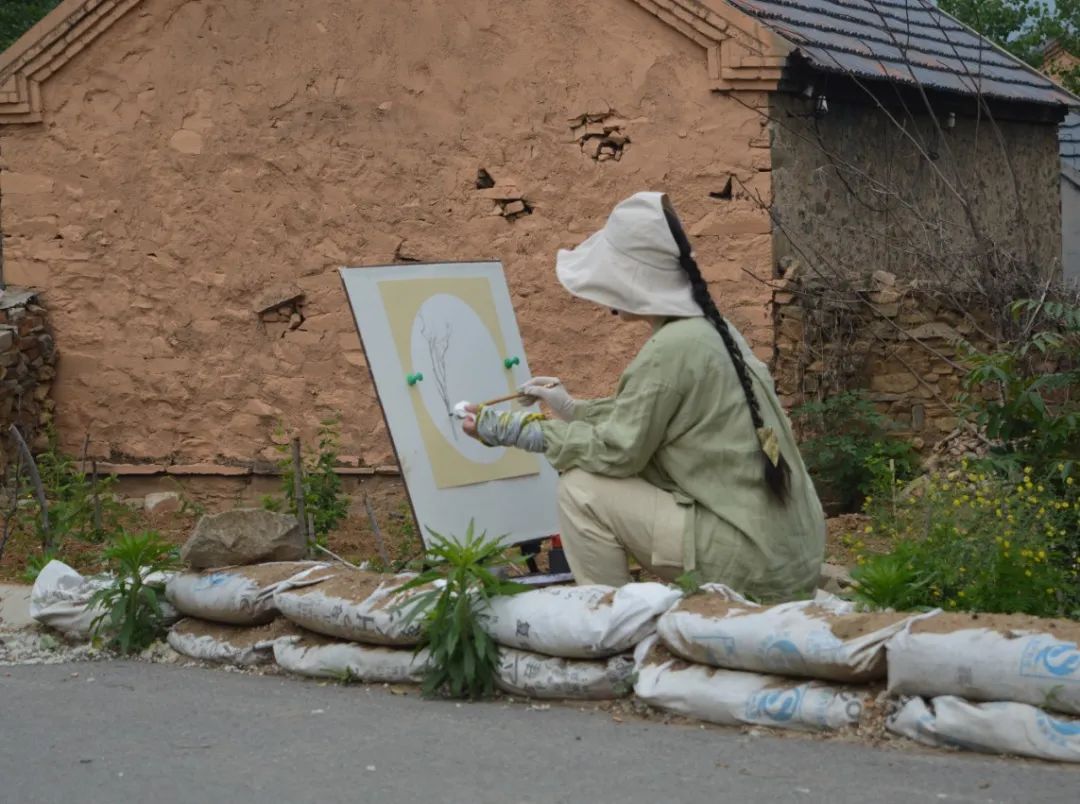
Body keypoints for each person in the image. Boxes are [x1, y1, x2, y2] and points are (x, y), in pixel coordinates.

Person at [463, 191, 825, 602]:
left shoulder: (672, 347)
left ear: (631, 281)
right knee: (593, 476)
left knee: (581, 489)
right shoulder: (709, 330)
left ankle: (614, 626)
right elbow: (645, 415)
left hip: (749, 559)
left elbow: (620, 451)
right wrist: (570, 408)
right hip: (790, 556)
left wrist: (523, 433)